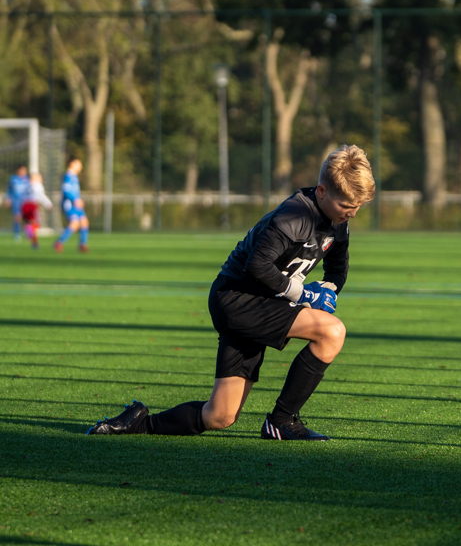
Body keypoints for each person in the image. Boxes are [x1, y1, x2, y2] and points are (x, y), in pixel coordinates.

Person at [86, 145, 375, 441]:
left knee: (219, 416)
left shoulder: (340, 223)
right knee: (332, 332)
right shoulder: (294, 215)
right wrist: (304, 295)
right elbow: (258, 265)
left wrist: (328, 289)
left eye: (358, 207)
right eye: (346, 206)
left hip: (261, 302)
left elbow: (337, 269)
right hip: (237, 299)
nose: (352, 213)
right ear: (323, 191)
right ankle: (282, 421)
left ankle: (138, 422)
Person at [55, 157, 90, 253]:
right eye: (78, 163)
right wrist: (75, 199)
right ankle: (59, 242)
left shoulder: (74, 176)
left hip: (76, 204)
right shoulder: (68, 175)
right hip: (70, 204)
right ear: (72, 164)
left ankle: (82, 245)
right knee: (74, 223)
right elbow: (66, 190)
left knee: (84, 222)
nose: (80, 166)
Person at [21, 173, 54, 249]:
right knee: (36, 224)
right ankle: (34, 242)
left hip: (25, 205)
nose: (41, 180)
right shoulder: (38, 185)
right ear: (35, 179)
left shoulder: (26, 185)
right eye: (40, 178)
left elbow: (22, 196)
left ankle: (28, 229)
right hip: (33, 205)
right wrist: (48, 204)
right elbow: (41, 196)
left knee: (30, 222)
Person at [4, 165, 30, 241]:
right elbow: (9, 190)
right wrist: (8, 199)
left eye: (25, 170)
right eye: (22, 170)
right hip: (16, 201)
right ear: (18, 170)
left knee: (27, 218)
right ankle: (17, 234)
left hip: (26, 201)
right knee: (17, 217)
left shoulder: (27, 179)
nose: (24, 172)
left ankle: (28, 234)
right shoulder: (13, 179)